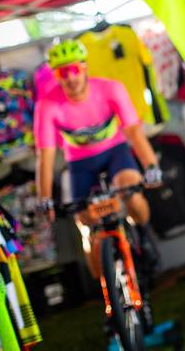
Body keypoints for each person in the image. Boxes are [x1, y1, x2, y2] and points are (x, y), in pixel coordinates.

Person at [34, 40, 162, 282]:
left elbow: (133, 131)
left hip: (115, 152)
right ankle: (108, 288)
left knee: (131, 191)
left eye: (74, 69)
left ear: (84, 68)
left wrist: (151, 165)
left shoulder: (110, 88)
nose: (70, 78)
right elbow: (46, 154)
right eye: (62, 73)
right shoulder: (46, 105)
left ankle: (144, 236)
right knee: (85, 221)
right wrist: (44, 197)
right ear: (56, 77)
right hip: (80, 163)